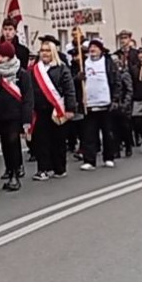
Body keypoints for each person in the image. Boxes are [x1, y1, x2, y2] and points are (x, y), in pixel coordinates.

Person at [0, 41, 33, 192]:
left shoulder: (21, 73)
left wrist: (26, 120)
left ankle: (15, 173)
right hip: (1, 115)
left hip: (16, 115)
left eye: (4, 56)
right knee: (5, 144)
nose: (0, 59)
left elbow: (27, 98)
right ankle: (9, 168)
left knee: (13, 143)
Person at [30, 36, 76, 181]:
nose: (44, 53)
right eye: (42, 51)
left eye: (48, 51)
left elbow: (69, 90)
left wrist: (70, 109)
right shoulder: (34, 70)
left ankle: (59, 168)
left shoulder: (62, 68)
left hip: (57, 109)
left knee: (58, 140)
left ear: (53, 52)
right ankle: (43, 168)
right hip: (39, 110)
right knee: (41, 141)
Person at [77, 39, 119, 170]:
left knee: (108, 133)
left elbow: (116, 81)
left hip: (105, 103)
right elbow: (75, 82)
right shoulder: (83, 63)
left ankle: (109, 157)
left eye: (95, 47)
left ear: (101, 49)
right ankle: (89, 160)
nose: (92, 50)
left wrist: (116, 99)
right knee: (89, 134)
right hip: (89, 103)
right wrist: (79, 78)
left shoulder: (108, 63)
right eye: (91, 47)